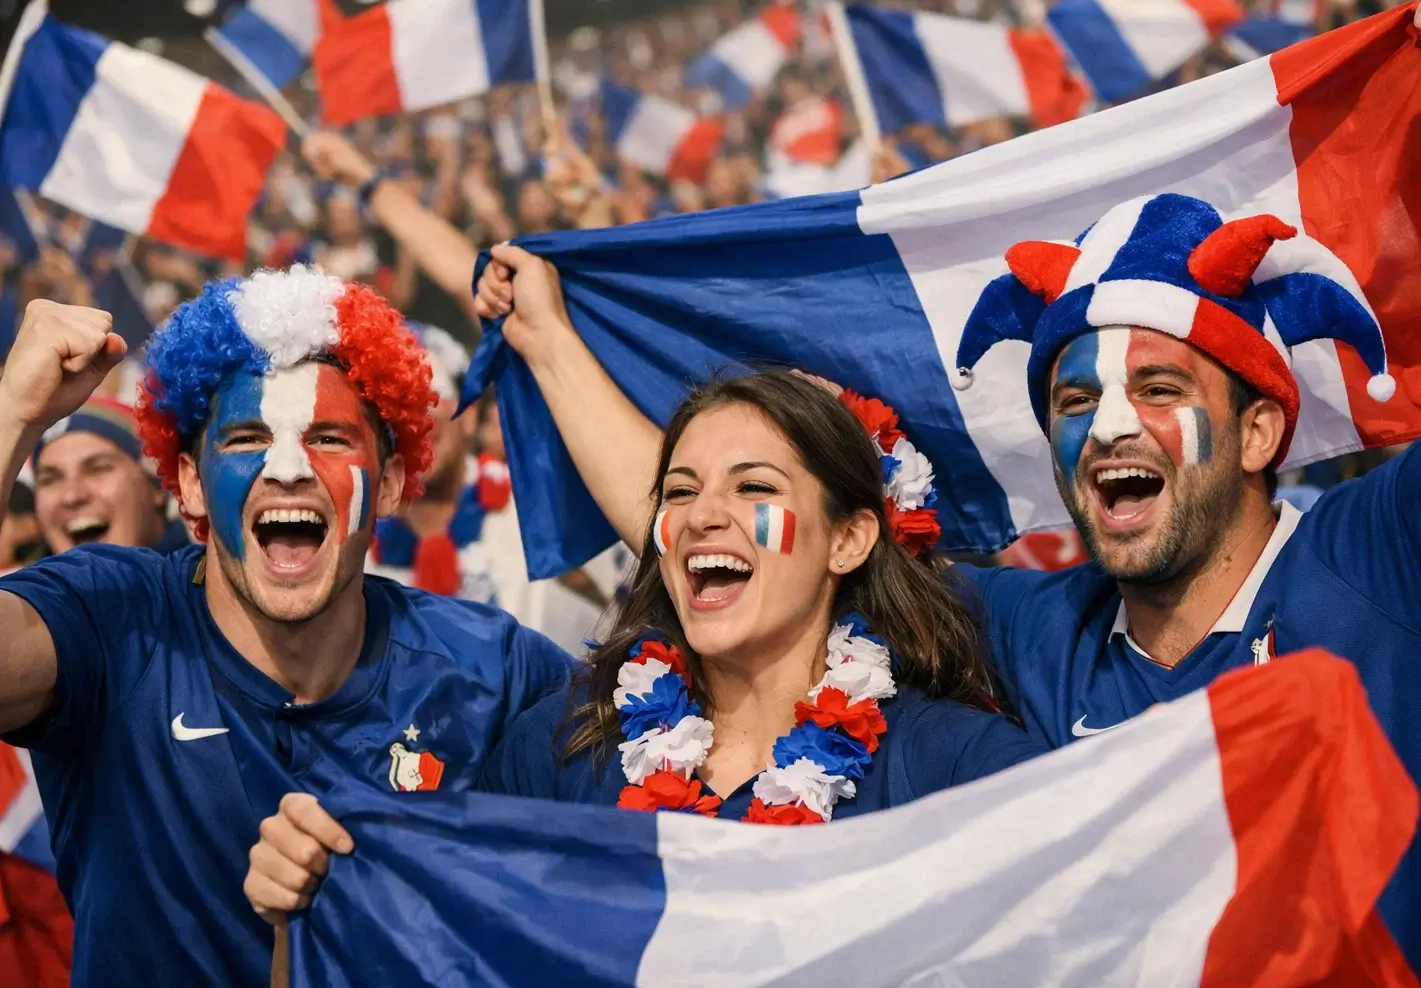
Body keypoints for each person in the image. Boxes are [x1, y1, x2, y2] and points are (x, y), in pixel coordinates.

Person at [469, 0, 1421, 984]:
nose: (1108, 422)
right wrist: (552, 342)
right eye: (1074, 401)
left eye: (1158, 386)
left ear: (1262, 426)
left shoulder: (1395, 551)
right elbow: (745, 553)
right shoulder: (1035, 632)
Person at [243, 370, 1042, 920]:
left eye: (753, 487)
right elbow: (446, 934)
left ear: (850, 538)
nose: (702, 516)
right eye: (681, 491)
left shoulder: (954, 770)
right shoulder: (565, 750)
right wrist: (316, 884)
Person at [0, 266, 573, 987]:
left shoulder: (492, 669)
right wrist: (12, 412)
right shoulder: (114, 620)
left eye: (329, 438)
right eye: (246, 438)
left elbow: (662, 793)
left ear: (392, 482)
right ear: (187, 483)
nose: (289, 467)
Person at [366, 322, 610, 650]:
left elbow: (617, 607)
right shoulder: (361, 537)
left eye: (430, 397)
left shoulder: (530, 508)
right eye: (398, 407)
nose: (415, 420)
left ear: (468, 417)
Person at [29, 396, 187, 555]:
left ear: (158, 485)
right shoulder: (16, 579)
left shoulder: (205, 576)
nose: (72, 496)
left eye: (98, 469)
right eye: (49, 480)